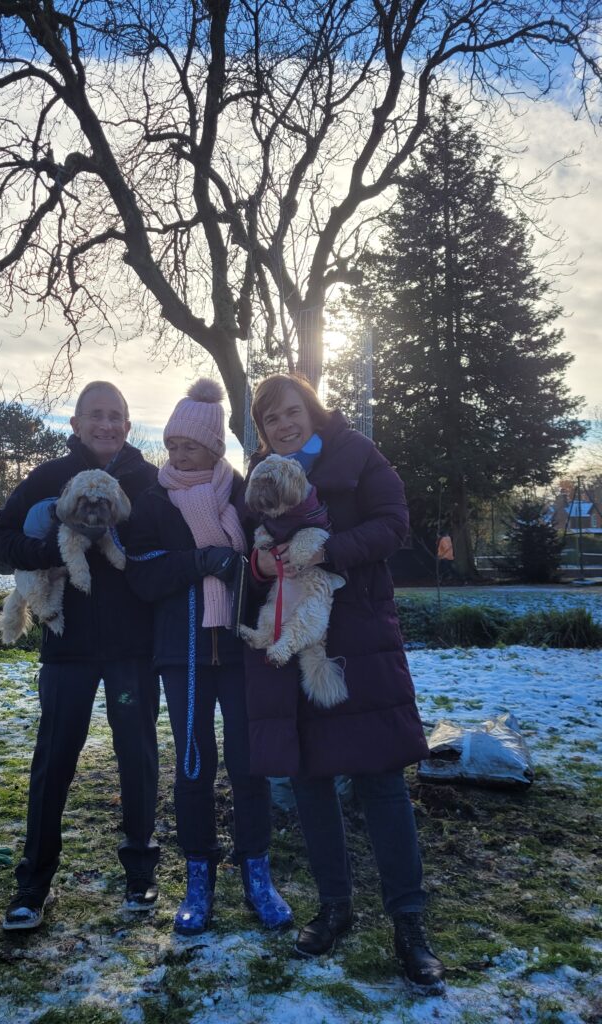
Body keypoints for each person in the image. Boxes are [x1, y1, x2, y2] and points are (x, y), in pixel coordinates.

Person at [243, 373, 445, 995]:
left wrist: (327, 552)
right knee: (309, 779)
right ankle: (335, 906)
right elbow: (246, 552)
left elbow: (394, 524)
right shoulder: (258, 476)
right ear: (262, 428)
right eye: (271, 418)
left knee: (381, 779)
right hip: (299, 635)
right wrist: (259, 562)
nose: (284, 424)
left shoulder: (357, 452)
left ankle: (408, 923)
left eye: (293, 411)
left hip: (359, 635)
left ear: (313, 409)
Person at [0, 381, 161, 930]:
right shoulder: (48, 478)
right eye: (95, 416)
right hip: (67, 647)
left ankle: (140, 876)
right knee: (53, 761)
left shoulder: (149, 482)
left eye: (117, 416)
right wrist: (49, 555)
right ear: (77, 424)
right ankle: (32, 885)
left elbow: (169, 550)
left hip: (133, 648)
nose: (107, 425)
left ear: (128, 427)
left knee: (138, 759)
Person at [125, 379, 292, 935]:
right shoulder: (153, 500)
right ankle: (198, 876)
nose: (176, 453)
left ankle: (257, 872)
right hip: (182, 654)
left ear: (215, 448)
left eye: (188, 445)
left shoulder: (243, 493)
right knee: (194, 765)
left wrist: (244, 567)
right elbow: (143, 575)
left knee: (250, 763)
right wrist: (200, 561)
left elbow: (266, 562)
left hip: (241, 648)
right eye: (171, 444)